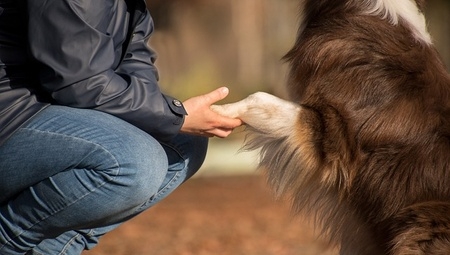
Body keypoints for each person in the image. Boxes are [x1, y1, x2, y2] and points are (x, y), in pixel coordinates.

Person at [0, 0, 242, 254]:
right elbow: (80, 84)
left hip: (42, 110)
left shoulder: (131, 5)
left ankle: (51, 249)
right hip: (10, 117)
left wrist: (176, 118)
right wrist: (177, 117)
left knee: (182, 144)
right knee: (136, 161)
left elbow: (135, 72)